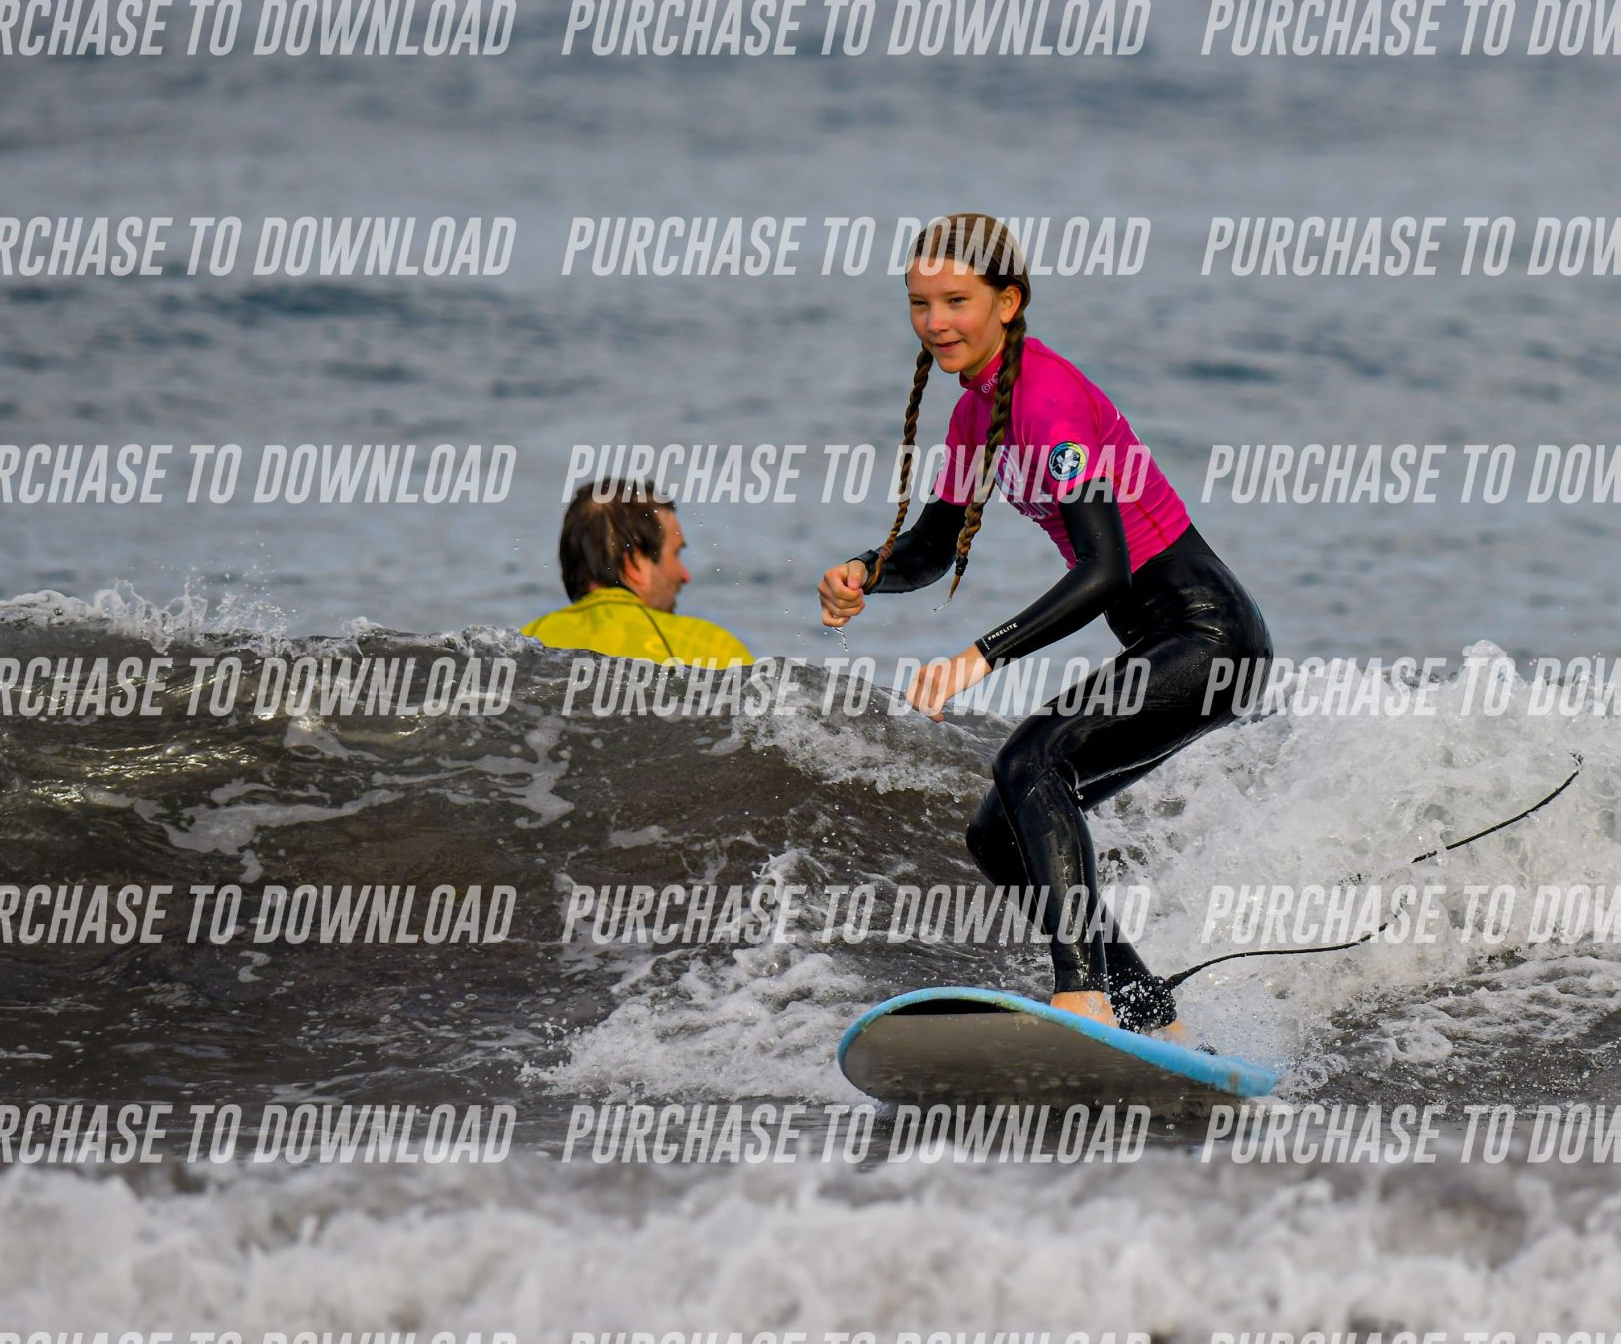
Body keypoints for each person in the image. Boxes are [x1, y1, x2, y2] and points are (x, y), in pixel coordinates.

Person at [816, 214, 1272, 1035]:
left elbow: (1106, 570)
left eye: (956, 300)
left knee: (1032, 757)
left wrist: (979, 655)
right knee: (999, 831)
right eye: (920, 303)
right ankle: (1145, 1010)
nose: (936, 321)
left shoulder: (1046, 401)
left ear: (1008, 301)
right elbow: (932, 544)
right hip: (1172, 644)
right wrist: (866, 571)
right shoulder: (977, 414)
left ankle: (1081, 992)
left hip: (1211, 639)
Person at [524, 479, 752, 666]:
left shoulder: (524, 644)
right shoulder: (712, 647)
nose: (685, 575)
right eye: (675, 553)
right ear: (634, 563)